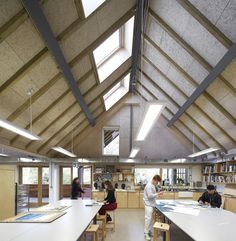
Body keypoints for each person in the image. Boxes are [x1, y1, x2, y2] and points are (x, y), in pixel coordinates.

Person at [143, 175, 163, 241]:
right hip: (148, 204)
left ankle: (148, 231)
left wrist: (157, 195)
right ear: (155, 180)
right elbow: (150, 196)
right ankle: (146, 233)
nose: (157, 183)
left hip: (151, 204)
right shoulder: (149, 186)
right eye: (157, 182)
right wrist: (158, 194)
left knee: (150, 219)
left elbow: (153, 195)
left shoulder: (153, 185)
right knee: (148, 219)